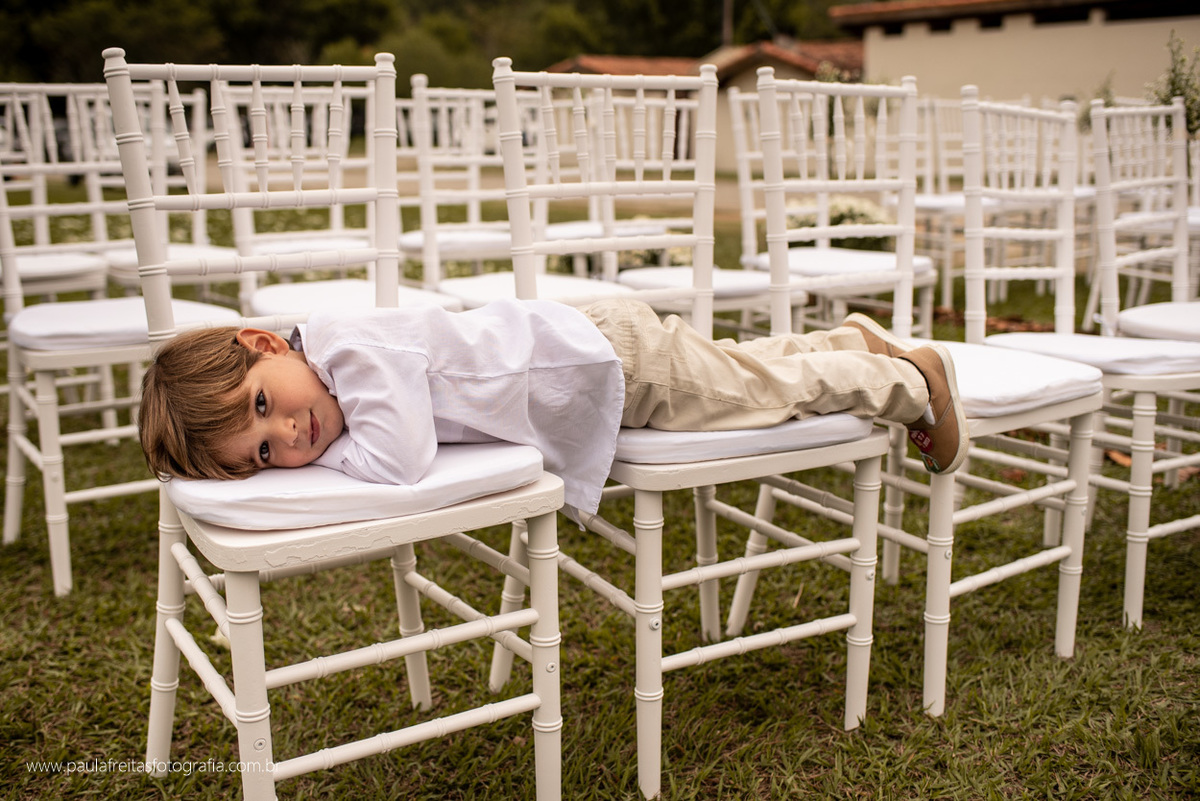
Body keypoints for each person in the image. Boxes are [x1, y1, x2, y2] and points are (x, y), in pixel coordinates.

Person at [138, 298, 966, 515]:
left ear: (265, 343)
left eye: (261, 404)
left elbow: (398, 458)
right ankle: (854, 344)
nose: (289, 433)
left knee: (753, 396)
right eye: (263, 453)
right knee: (742, 372)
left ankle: (910, 385)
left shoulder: (348, 350)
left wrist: (327, 459)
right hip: (588, 354)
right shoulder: (329, 366)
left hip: (604, 364)